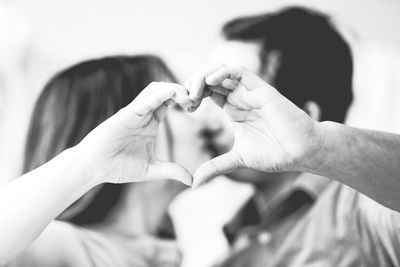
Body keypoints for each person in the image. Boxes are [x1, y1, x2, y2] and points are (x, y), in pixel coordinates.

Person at [187, 63, 400, 266]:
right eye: (209, 92)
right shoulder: (229, 248)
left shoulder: (362, 207)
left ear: (306, 113)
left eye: (230, 91)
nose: (208, 125)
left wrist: (318, 143)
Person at [0, 55, 193, 266]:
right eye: (176, 106)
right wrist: (89, 165)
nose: (201, 119)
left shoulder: (171, 255)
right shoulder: (61, 247)